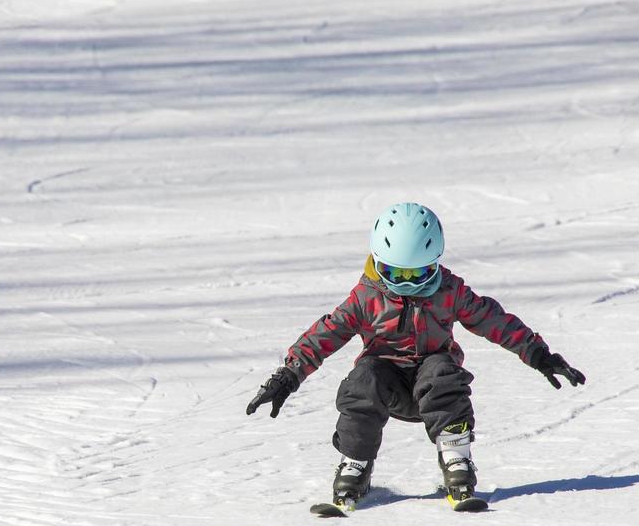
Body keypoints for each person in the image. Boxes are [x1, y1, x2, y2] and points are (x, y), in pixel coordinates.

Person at [245, 202, 586, 508]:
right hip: (386, 388)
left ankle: (455, 456)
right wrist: (288, 376)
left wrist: (538, 353)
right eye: (395, 274)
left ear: (435, 263)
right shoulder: (366, 298)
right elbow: (325, 335)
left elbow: (492, 319)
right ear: (378, 264)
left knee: (441, 368)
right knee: (363, 378)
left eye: (418, 274)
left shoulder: (450, 292)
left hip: (435, 387)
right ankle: (356, 463)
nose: (407, 284)